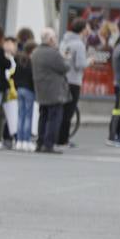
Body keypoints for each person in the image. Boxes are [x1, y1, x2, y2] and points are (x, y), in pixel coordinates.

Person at [31, 28, 69, 154]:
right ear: (51, 39)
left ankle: (40, 142)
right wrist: (66, 58)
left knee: (43, 117)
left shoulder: (35, 52)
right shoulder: (53, 53)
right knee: (54, 118)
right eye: (55, 37)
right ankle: (48, 144)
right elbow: (64, 68)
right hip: (54, 91)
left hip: (41, 90)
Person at [59, 18, 87, 148]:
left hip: (62, 79)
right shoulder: (79, 44)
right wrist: (90, 61)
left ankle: (57, 137)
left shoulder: (64, 41)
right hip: (74, 81)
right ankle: (63, 139)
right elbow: (80, 64)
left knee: (61, 110)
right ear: (83, 29)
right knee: (68, 112)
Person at [13, 33, 37, 151]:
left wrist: (17, 87)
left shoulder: (19, 59)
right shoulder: (31, 62)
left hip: (20, 89)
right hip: (29, 90)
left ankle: (19, 141)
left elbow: (15, 75)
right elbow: (33, 77)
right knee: (28, 116)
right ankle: (26, 141)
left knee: (20, 116)